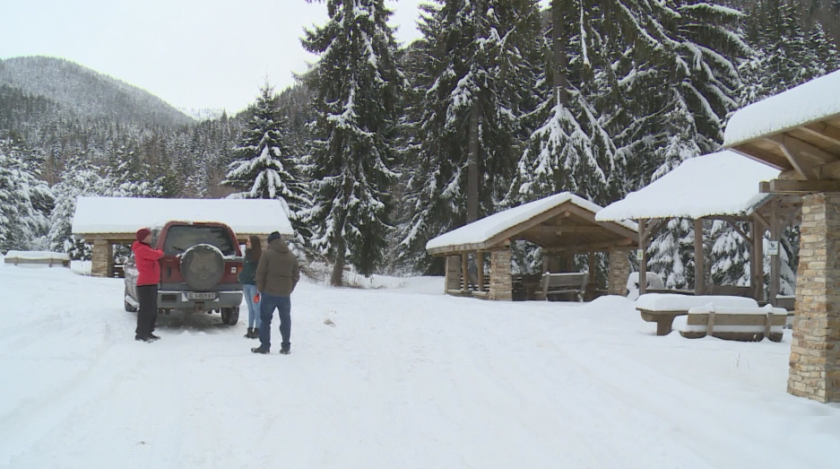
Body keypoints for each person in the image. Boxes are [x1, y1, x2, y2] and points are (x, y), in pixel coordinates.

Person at [251, 231, 300, 355]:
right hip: (285, 294)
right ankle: (286, 346)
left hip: (269, 292)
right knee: (285, 319)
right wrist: (289, 288)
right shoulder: (291, 256)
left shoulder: (267, 254)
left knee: (265, 320)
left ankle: (265, 346)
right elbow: (296, 276)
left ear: (270, 242)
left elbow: (260, 273)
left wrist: (261, 288)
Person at [132, 228, 164, 342]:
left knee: (152, 309)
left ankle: (149, 331)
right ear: (143, 238)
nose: (151, 237)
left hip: (151, 283)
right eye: (149, 236)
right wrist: (160, 251)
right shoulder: (141, 249)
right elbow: (156, 255)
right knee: (146, 310)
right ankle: (141, 333)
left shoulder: (146, 248)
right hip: (145, 284)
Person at [239, 235, 262, 339]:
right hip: (246, 283)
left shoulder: (259, 257)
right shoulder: (247, 255)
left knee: (256, 307)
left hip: (254, 285)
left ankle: (258, 329)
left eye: (249, 241)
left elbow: (260, 272)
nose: (247, 243)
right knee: (250, 307)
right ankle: (250, 328)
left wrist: (258, 283)